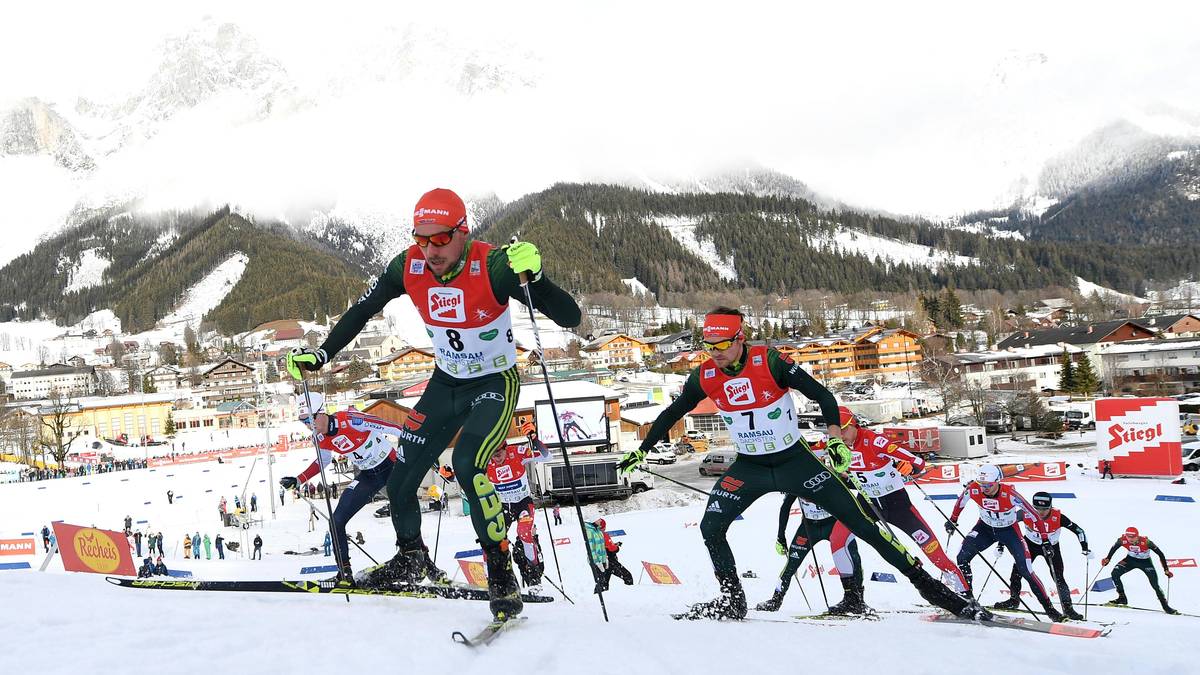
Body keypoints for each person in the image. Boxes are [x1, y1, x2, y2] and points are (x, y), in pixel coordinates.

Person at [286, 187, 581, 622]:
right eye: (421, 238)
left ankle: (500, 571)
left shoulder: (494, 264)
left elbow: (569, 317)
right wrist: (323, 353)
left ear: (462, 232)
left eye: (440, 238)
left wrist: (536, 278)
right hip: (445, 384)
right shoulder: (408, 266)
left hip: (494, 383)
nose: (429, 249)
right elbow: (362, 309)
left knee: (467, 463)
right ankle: (411, 558)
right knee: (402, 479)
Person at [618, 308, 983, 621]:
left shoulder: (770, 361)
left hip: (796, 462)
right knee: (710, 527)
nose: (716, 354)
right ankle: (732, 599)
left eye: (723, 345)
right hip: (750, 468)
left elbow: (823, 395)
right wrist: (643, 448)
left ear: (740, 338)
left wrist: (836, 438)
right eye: (708, 347)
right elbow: (672, 412)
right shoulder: (704, 376)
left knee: (864, 524)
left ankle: (932, 590)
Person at [280, 391, 416, 583]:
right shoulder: (320, 438)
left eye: (310, 420)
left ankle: (418, 559)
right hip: (369, 476)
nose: (308, 426)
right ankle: (344, 573)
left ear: (321, 413)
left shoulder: (352, 419)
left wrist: (419, 452)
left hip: (391, 467)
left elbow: (393, 428)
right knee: (336, 522)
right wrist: (299, 479)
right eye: (304, 422)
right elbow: (322, 461)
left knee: (402, 513)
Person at [834, 406, 968, 592]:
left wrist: (907, 467)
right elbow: (849, 478)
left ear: (855, 424)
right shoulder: (837, 447)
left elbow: (918, 463)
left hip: (897, 505)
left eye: (844, 429)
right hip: (867, 505)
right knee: (837, 540)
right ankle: (853, 597)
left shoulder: (875, 441)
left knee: (933, 552)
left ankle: (966, 595)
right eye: (835, 431)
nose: (840, 436)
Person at [947, 465, 1063, 621]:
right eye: (982, 484)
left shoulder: (1010, 494)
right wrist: (953, 520)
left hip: (1009, 531)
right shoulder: (974, 488)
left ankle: (1050, 611)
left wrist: (1045, 540)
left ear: (997, 481)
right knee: (962, 558)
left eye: (988, 485)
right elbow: (961, 502)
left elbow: (1035, 516)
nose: (984, 489)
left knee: (1026, 570)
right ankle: (968, 601)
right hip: (985, 529)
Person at [757, 492, 865, 614]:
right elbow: (785, 507)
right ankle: (775, 600)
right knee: (791, 564)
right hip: (809, 527)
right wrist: (780, 537)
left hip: (834, 523)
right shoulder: (795, 479)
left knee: (853, 559)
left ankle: (857, 600)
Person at [993, 491, 1090, 619]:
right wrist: (1000, 544)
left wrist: (1085, 548)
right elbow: (1007, 526)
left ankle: (1068, 609)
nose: (1041, 512)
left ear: (1050, 507)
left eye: (1045, 509)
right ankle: (1013, 600)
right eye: (1037, 508)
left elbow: (1079, 531)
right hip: (1029, 545)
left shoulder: (1058, 517)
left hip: (1051, 547)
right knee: (1016, 572)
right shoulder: (1024, 513)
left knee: (1058, 577)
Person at [485, 422, 552, 587]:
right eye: (492, 454)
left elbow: (547, 457)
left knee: (524, 533)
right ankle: (493, 578)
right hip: (502, 507)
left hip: (522, 503)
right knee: (492, 538)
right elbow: (464, 476)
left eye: (498, 452)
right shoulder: (486, 463)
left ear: (505, 447)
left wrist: (534, 439)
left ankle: (534, 576)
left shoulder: (518, 452)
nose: (496, 457)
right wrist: (450, 476)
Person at [1101, 526, 1178, 614]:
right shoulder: (1122, 540)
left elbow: (1160, 554)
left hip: (1145, 563)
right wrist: (1108, 558)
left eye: (1132, 537)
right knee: (1115, 573)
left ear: (1137, 536)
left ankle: (1165, 606)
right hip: (1130, 560)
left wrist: (1166, 570)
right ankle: (1122, 598)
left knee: (1155, 584)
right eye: (1128, 537)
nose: (1130, 539)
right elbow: (1113, 549)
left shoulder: (1146, 542)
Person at [591, 519, 633, 590]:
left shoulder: (594, 534)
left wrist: (614, 545)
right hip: (610, 561)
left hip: (601, 561)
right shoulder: (603, 535)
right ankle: (631, 592)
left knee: (603, 583)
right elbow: (612, 548)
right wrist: (616, 547)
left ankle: (599, 597)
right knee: (627, 576)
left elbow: (604, 546)